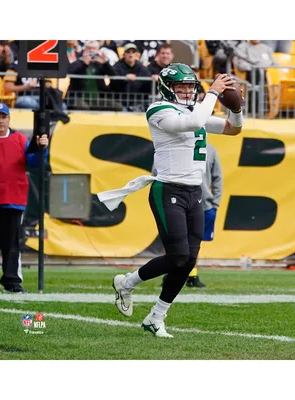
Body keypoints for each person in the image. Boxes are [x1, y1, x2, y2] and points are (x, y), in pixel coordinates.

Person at [102, 63, 243, 338]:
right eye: (182, 87)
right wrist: (213, 93)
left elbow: (233, 129)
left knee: (188, 261)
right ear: (168, 89)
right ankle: (126, 283)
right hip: (168, 190)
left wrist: (236, 109)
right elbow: (192, 122)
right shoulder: (158, 110)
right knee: (178, 256)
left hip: (194, 193)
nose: (188, 92)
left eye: (191, 87)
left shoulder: (195, 110)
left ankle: (156, 317)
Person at [0, 103, 49, 293]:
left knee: (11, 244)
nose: (0, 121)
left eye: (3, 117)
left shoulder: (20, 139)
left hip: (12, 199)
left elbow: (34, 162)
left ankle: (12, 283)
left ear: (9, 119)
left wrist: (42, 148)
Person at [157, 142, 223, 288]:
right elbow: (157, 171)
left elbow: (218, 177)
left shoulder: (210, 149)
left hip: (203, 202)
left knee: (195, 242)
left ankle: (191, 274)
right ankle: (170, 271)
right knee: (174, 238)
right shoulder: (172, 144)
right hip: (176, 200)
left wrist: (215, 202)